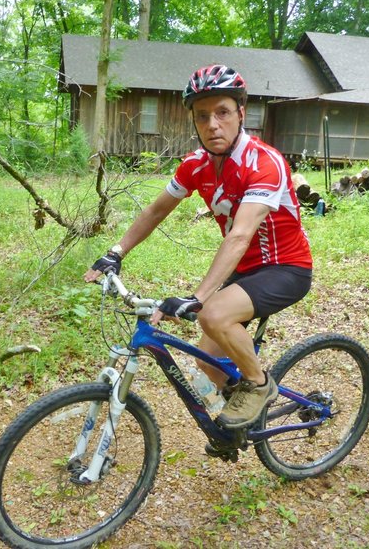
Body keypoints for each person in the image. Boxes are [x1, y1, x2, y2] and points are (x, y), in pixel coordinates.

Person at [84, 64, 312, 436]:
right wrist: (116, 251)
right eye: (202, 116)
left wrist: (197, 297)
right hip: (244, 271)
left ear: (241, 113)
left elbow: (239, 236)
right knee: (206, 365)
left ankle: (258, 384)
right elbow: (156, 210)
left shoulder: (264, 162)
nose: (213, 124)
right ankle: (237, 431)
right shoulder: (196, 165)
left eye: (222, 112)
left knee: (213, 316)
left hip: (285, 267)